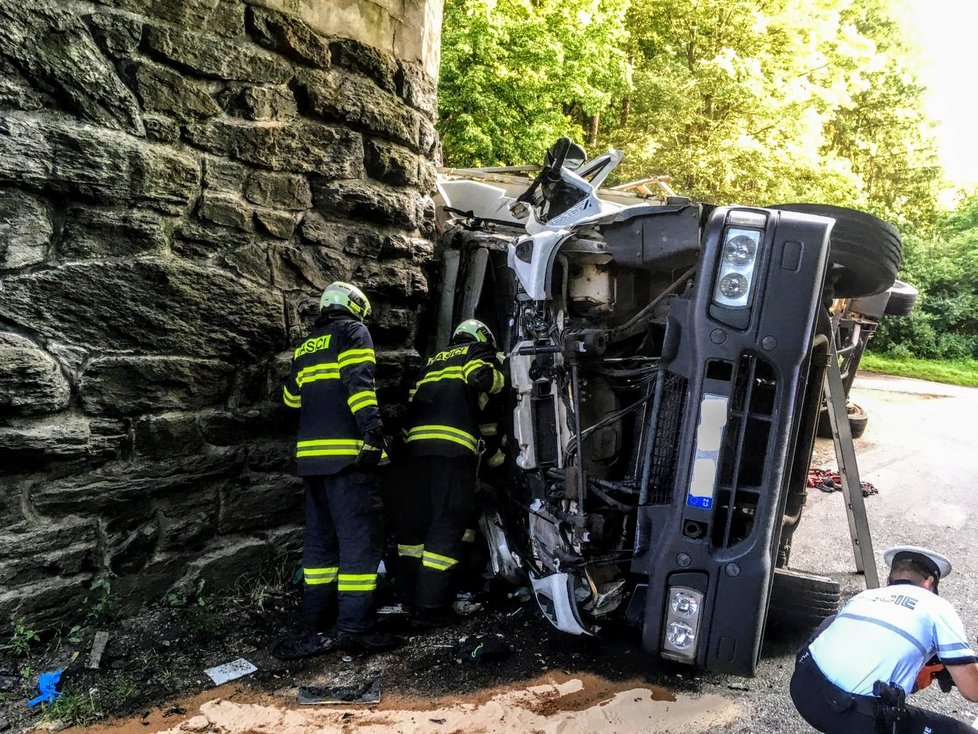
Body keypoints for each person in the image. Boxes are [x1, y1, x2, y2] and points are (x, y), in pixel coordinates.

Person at [273, 281, 399, 659]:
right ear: (356, 305)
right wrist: (373, 433)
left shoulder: (307, 345)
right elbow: (359, 385)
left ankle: (317, 626)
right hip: (347, 458)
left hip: (311, 462)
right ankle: (355, 629)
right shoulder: (353, 331)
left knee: (319, 545)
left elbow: (291, 398)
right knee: (359, 543)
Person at [790, 545, 978, 733]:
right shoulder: (938, 607)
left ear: (889, 581)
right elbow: (972, 690)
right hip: (854, 718)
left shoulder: (864, 597)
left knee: (833, 621)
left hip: (804, 691)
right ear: (929, 583)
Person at [395, 319, 506, 627]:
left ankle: (409, 600)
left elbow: (411, 406)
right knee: (446, 527)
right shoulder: (478, 352)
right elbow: (480, 379)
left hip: (413, 455)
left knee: (413, 533)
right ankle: (430, 608)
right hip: (452, 455)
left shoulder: (431, 364)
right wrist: (503, 377)